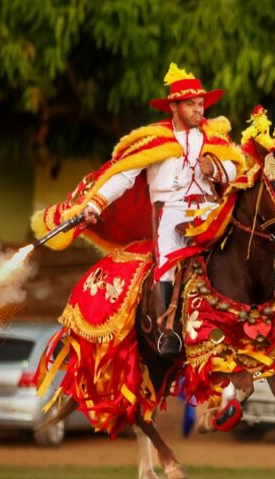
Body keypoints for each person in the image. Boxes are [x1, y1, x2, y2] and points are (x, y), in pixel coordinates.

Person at [79, 63, 242, 356]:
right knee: (166, 261)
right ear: (175, 107)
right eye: (191, 105)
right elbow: (123, 176)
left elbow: (237, 169)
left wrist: (217, 169)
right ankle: (167, 329)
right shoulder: (154, 139)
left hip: (210, 209)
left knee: (243, 246)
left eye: (201, 104)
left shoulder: (215, 137)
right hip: (171, 210)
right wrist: (95, 203)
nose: (199, 110)